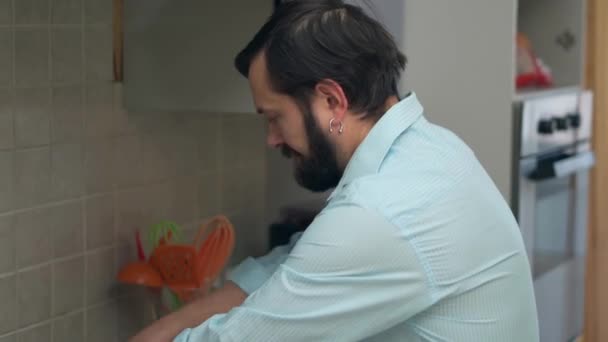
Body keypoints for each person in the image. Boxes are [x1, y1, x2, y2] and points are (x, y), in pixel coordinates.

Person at [131, 1, 539, 341]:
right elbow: (293, 266)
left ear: (331, 101)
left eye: (273, 117)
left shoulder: (380, 214)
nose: (271, 139)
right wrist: (170, 325)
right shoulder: (429, 150)